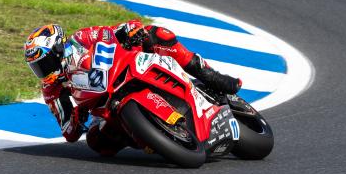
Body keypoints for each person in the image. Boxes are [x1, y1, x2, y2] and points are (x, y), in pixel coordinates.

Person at [24, 21, 242, 156]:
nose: (43, 72)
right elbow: (69, 132)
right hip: (104, 105)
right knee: (97, 143)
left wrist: (129, 30)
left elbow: (109, 33)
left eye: (44, 63)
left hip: (122, 67)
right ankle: (147, 136)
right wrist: (77, 116)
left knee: (158, 35)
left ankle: (212, 77)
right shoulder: (52, 90)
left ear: (59, 49)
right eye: (37, 68)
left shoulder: (81, 38)